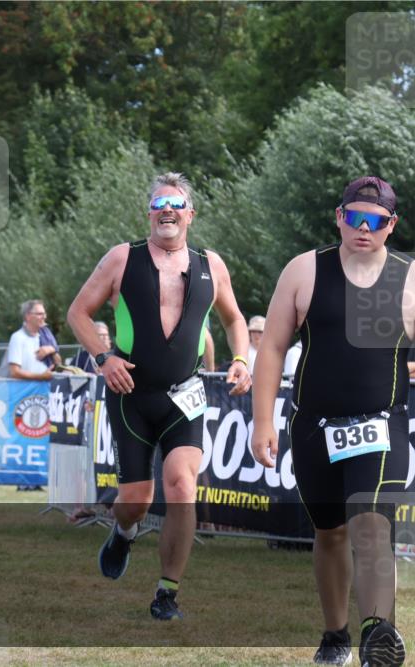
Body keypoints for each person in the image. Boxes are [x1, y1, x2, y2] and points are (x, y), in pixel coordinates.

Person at [66, 171, 251, 621]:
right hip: (131, 392)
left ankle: (167, 591)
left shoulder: (212, 265)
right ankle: (123, 532)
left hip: (185, 395)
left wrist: (242, 359)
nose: (166, 210)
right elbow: (78, 312)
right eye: (158, 203)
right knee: (136, 500)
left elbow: (234, 320)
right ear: (148, 212)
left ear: (190, 213)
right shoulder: (121, 258)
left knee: (183, 486)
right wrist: (104, 357)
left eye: (175, 203)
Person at [251, 176, 411, 667]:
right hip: (314, 426)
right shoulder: (305, 270)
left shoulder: (409, 278)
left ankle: (376, 631)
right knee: (331, 532)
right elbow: (273, 346)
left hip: (381, 427)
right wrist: (262, 422)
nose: (364, 228)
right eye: (355, 217)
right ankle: (335, 633)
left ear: (391, 225)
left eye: (376, 221)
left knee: (371, 526)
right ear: (338, 216)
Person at [6, 299, 57, 380]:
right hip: (25, 391)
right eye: (40, 314)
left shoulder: (46, 337)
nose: (44, 317)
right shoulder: (18, 337)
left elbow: (59, 363)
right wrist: (42, 377)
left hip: (44, 390)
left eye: (44, 314)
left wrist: (52, 350)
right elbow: (14, 372)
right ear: (28, 316)